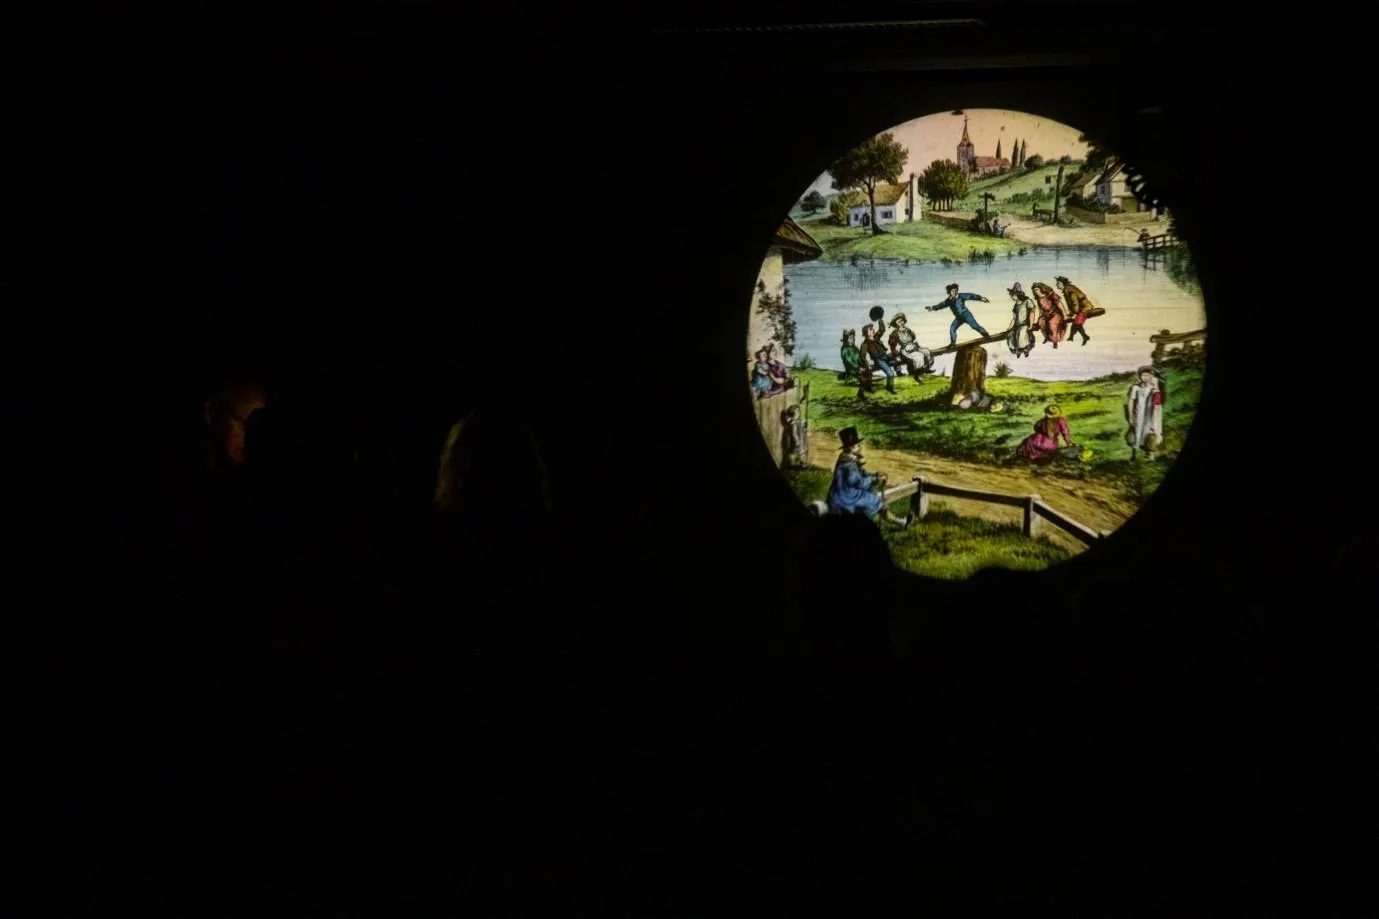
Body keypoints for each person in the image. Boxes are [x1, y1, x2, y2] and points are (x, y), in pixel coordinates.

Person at [826, 427, 909, 528]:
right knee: (875, 501)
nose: (860, 447)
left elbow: (860, 475)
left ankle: (901, 522)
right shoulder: (849, 465)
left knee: (871, 499)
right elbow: (859, 483)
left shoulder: (846, 458)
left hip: (840, 495)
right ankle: (900, 522)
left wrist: (874, 475)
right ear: (851, 448)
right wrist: (875, 479)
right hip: (845, 498)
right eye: (857, 445)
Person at [925, 283, 991, 346]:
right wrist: (932, 308)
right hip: (959, 318)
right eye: (953, 291)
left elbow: (971, 296)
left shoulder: (961, 296)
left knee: (975, 326)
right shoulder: (948, 301)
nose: (955, 292)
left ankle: (986, 335)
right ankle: (953, 343)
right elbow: (940, 305)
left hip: (966, 315)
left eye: (956, 290)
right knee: (952, 328)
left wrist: (981, 298)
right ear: (949, 292)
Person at [1125, 366, 1166, 460]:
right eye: (1143, 375)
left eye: (1148, 375)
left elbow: (1157, 404)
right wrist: (1130, 416)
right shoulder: (1136, 388)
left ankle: (1149, 454)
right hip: (1139, 413)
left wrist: (1155, 416)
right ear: (1139, 376)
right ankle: (1133, 454)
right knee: (1136, 431)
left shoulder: (1154, 389)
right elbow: (1130, 402)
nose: (1145, 377)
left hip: (1150, 414)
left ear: (1151, 376)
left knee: (1149, 433)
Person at [887, 312, 934, 378]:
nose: (901, 323)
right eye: (899, 321)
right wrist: (896, 354)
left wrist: (917, 347)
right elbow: (893, 346)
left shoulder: (908, 330)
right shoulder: (894, 333)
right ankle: (917, 372)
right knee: (919, 356)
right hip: (905, 351)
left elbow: (914, 339)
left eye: (902, 321)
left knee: (927, 351)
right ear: (896, 323)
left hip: (914, 347)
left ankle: (926, 368)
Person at [1055, 275, 1095, 346]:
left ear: (1063, 284)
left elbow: (1075, 302)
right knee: (1076, 324)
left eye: (1058, 283)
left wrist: (1075, 312)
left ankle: (1081, 337)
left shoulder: (1070, 290)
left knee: (1077, 324)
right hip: (1080, 309)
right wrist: (1071, 313)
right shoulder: (1067, 290)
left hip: (1084, 308)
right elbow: (1071, 304)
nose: (1057, 285)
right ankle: (1079, 337)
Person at [858, 324, 895, 397]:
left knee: (896, 357)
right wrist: (867, 365)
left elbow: (882, 330)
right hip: (879, 360)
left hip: (885, 357)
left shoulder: (876, 337)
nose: (873, 330)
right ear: (866, 333)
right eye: (870, 329)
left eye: (872, 328)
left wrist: (880, 319)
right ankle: (889, 388)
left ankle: (898, 370)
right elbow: (862, 356)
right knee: (890, 374)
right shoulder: (865, 344)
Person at [1030, 281, 1067, 348]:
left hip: (1056, 314)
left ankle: (1055, 341)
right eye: (1034, 290)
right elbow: (1041, 309)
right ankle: (1047, 338)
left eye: (1036, 289)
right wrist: (1039, 318)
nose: (1035, 291)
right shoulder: (1038, 299)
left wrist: (1065, 315)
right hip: (1046, 315)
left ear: (1041, 288)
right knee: (1041, 322)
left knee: (1051, 323)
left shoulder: (1051, 295)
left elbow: (1060, 304)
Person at [1005, 282, 1035, 358]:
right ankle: (1017, 351)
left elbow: (1032, 313)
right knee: (1010, 335)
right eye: (1011, 295)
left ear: (1017, 294)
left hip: (1024, 324)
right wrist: (1009, 328)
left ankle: (1025, 350)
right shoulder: (1016, 305)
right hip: (1017, 325)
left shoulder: (1027, 301)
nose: (1011, 297)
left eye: (1013, 295)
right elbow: (1014, 318)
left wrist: (1031, 325)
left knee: (1021, 335)